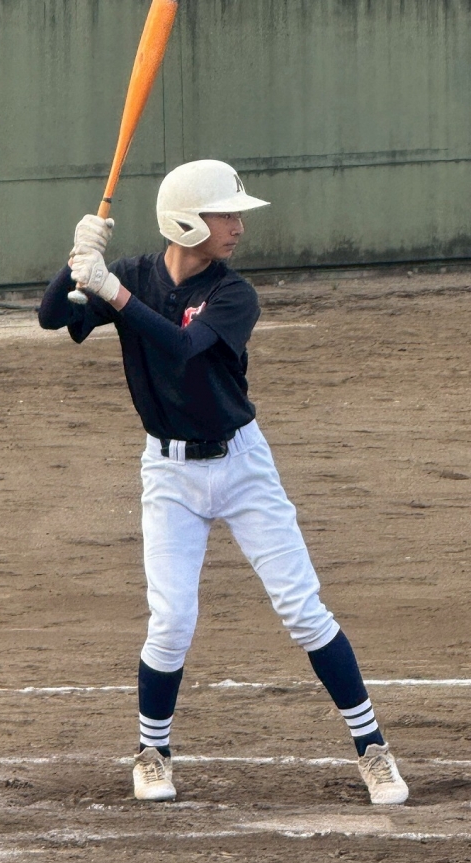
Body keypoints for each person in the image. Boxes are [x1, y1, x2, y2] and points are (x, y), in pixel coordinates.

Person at [38, 159, 408, 806]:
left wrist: (112, 293)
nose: (238, 226)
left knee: (303, 609)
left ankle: (372, 748)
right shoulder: (132, 276)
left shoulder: (235, 294)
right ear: (187, 221)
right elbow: (54, 320)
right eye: (226, 214)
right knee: (171, 619)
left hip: (242, 467)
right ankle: (153, 753)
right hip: (169, 472)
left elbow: (181, 347)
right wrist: (74, 262)